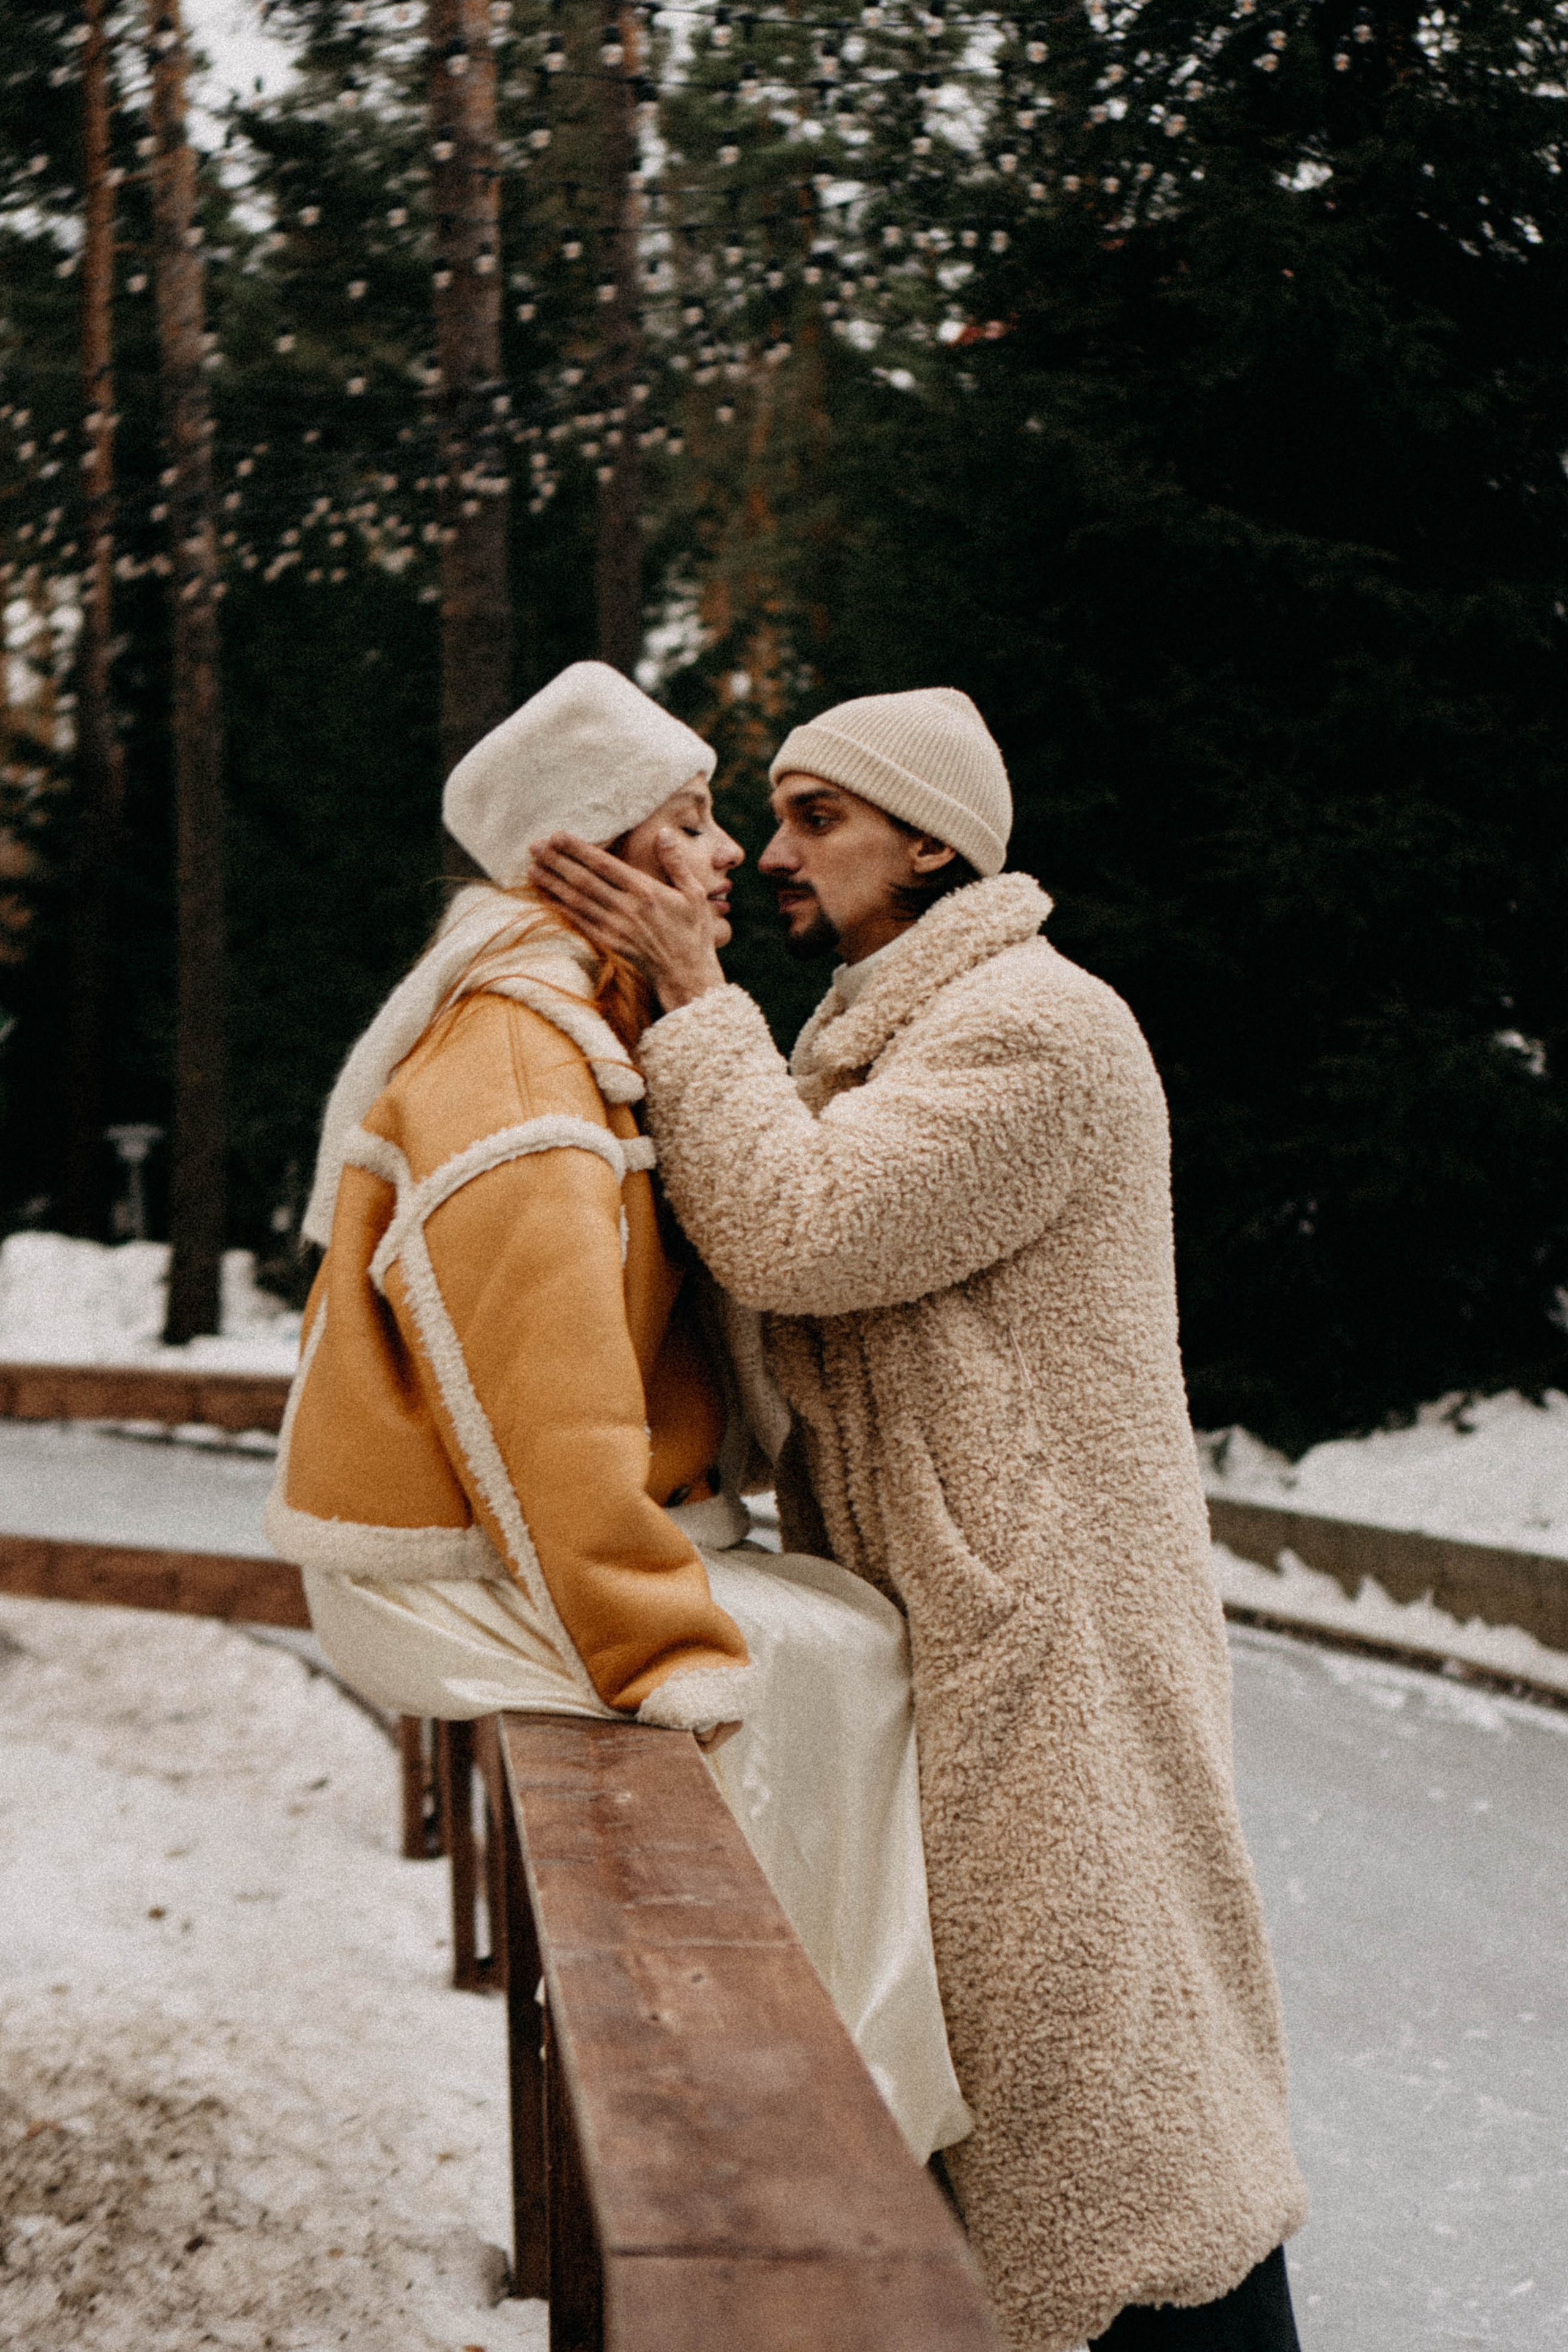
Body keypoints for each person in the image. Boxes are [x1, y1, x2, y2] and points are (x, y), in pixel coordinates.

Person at [529, 685, 1310, 2352]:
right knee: (1045, 2075)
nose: (774, 847)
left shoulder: (1039, 1026)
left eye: (818, 814)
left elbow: (804, 1237)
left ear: (932, 837)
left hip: (1056, 1631)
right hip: (960, 1626)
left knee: (1122, 2089)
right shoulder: (883, 1031)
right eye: (776, 812)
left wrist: (689, 992)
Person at [263, 661, 970, 2168]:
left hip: (501, 1557)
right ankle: (821, 2135)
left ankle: (852, 2105)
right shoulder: (518, 1057)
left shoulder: (587, 1028)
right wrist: (665, 1652)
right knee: (838, 1668)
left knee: (847, 1639)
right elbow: (546, 1420)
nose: (731, 856)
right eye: (694, 819)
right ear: (587, 856)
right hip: (443, 1580)